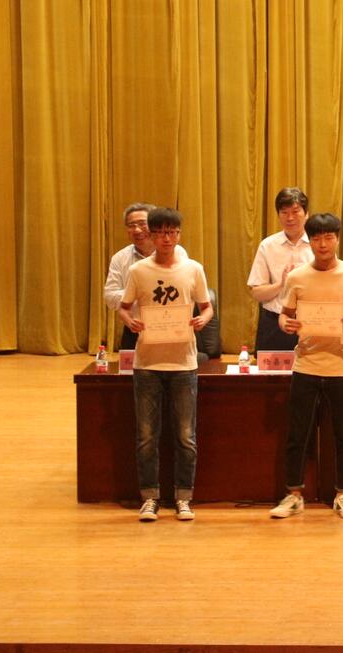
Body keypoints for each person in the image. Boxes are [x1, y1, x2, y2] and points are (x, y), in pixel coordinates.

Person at [269, 213, 343, 520]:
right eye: (316, 238)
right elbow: (284, 314)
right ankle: (294, 494)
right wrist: (286, 324)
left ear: (337, 239)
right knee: (297, 433)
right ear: (310, 241)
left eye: (329, 237)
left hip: (342, 367)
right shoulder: (297, 277)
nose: (323, 244)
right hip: (306, 364)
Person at [116, 208, 212, 522]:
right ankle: (150, 497)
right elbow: (124, 307)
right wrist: (130, 321)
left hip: (184, 362)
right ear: (152, 235)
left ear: (179, 235)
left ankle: (184, 498)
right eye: (160, 233)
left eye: (172, 232)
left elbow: (207, 306)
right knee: (147, 436)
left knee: (186, 436)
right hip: (147, 362)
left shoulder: (193, 269)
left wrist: (202, 319)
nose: (166, 239)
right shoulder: (139, 271)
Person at [104, 202, 188, 350]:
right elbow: (110, 297)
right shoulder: (120, 258)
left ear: (155, 226)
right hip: (135, 326)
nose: (137, 230)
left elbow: (184, 291)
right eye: (131, 225)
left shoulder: (177, 252)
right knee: (132, 365)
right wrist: (139, 294)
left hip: (170, 324)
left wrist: (140, 295)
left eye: (142, 224)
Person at [247, 187, 314, 351]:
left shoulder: (318, 244)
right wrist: (281, 284)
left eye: (295, 212)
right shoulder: (268, 246)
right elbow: (257, 293)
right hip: (274, 323)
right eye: (284, 212)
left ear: (306, 213)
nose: (290, 218)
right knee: (271, 368)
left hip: (311, 322)